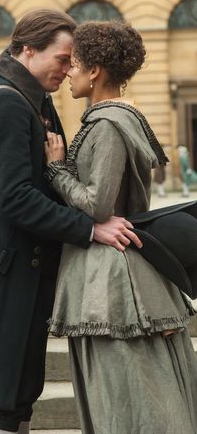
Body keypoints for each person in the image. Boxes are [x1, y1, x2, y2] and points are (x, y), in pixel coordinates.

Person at [0, 10, 142, 434]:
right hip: (7, 271)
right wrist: (90, 228)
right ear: (28, 50)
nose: (68, 69)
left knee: (19, 396)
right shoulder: (7, 101)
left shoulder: (30, 96)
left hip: (21, 267)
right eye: (62, 59)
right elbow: (14, 198)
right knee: (5, 400)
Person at [44, 21, 197, 434]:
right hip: (119, 267)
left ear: (95, 71)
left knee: (129, 394)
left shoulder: (108, 124)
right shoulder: (115, 118)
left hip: (113, 278)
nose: (69, 74)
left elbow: (98, 205)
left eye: (74, 64)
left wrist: (57, 168)